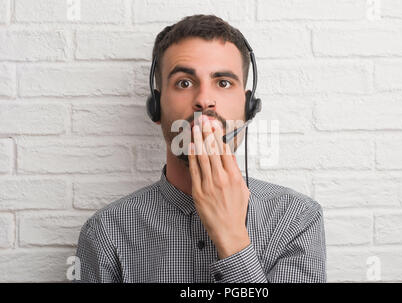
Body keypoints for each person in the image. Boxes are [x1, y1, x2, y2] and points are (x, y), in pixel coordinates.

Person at [74, 14, 326, 283]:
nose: (205, 100)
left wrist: (232, 237)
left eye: (223, 83)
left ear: (248, 106)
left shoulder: (297, 218)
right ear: (156, 107)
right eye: (184, 82)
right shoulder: (105, 232)